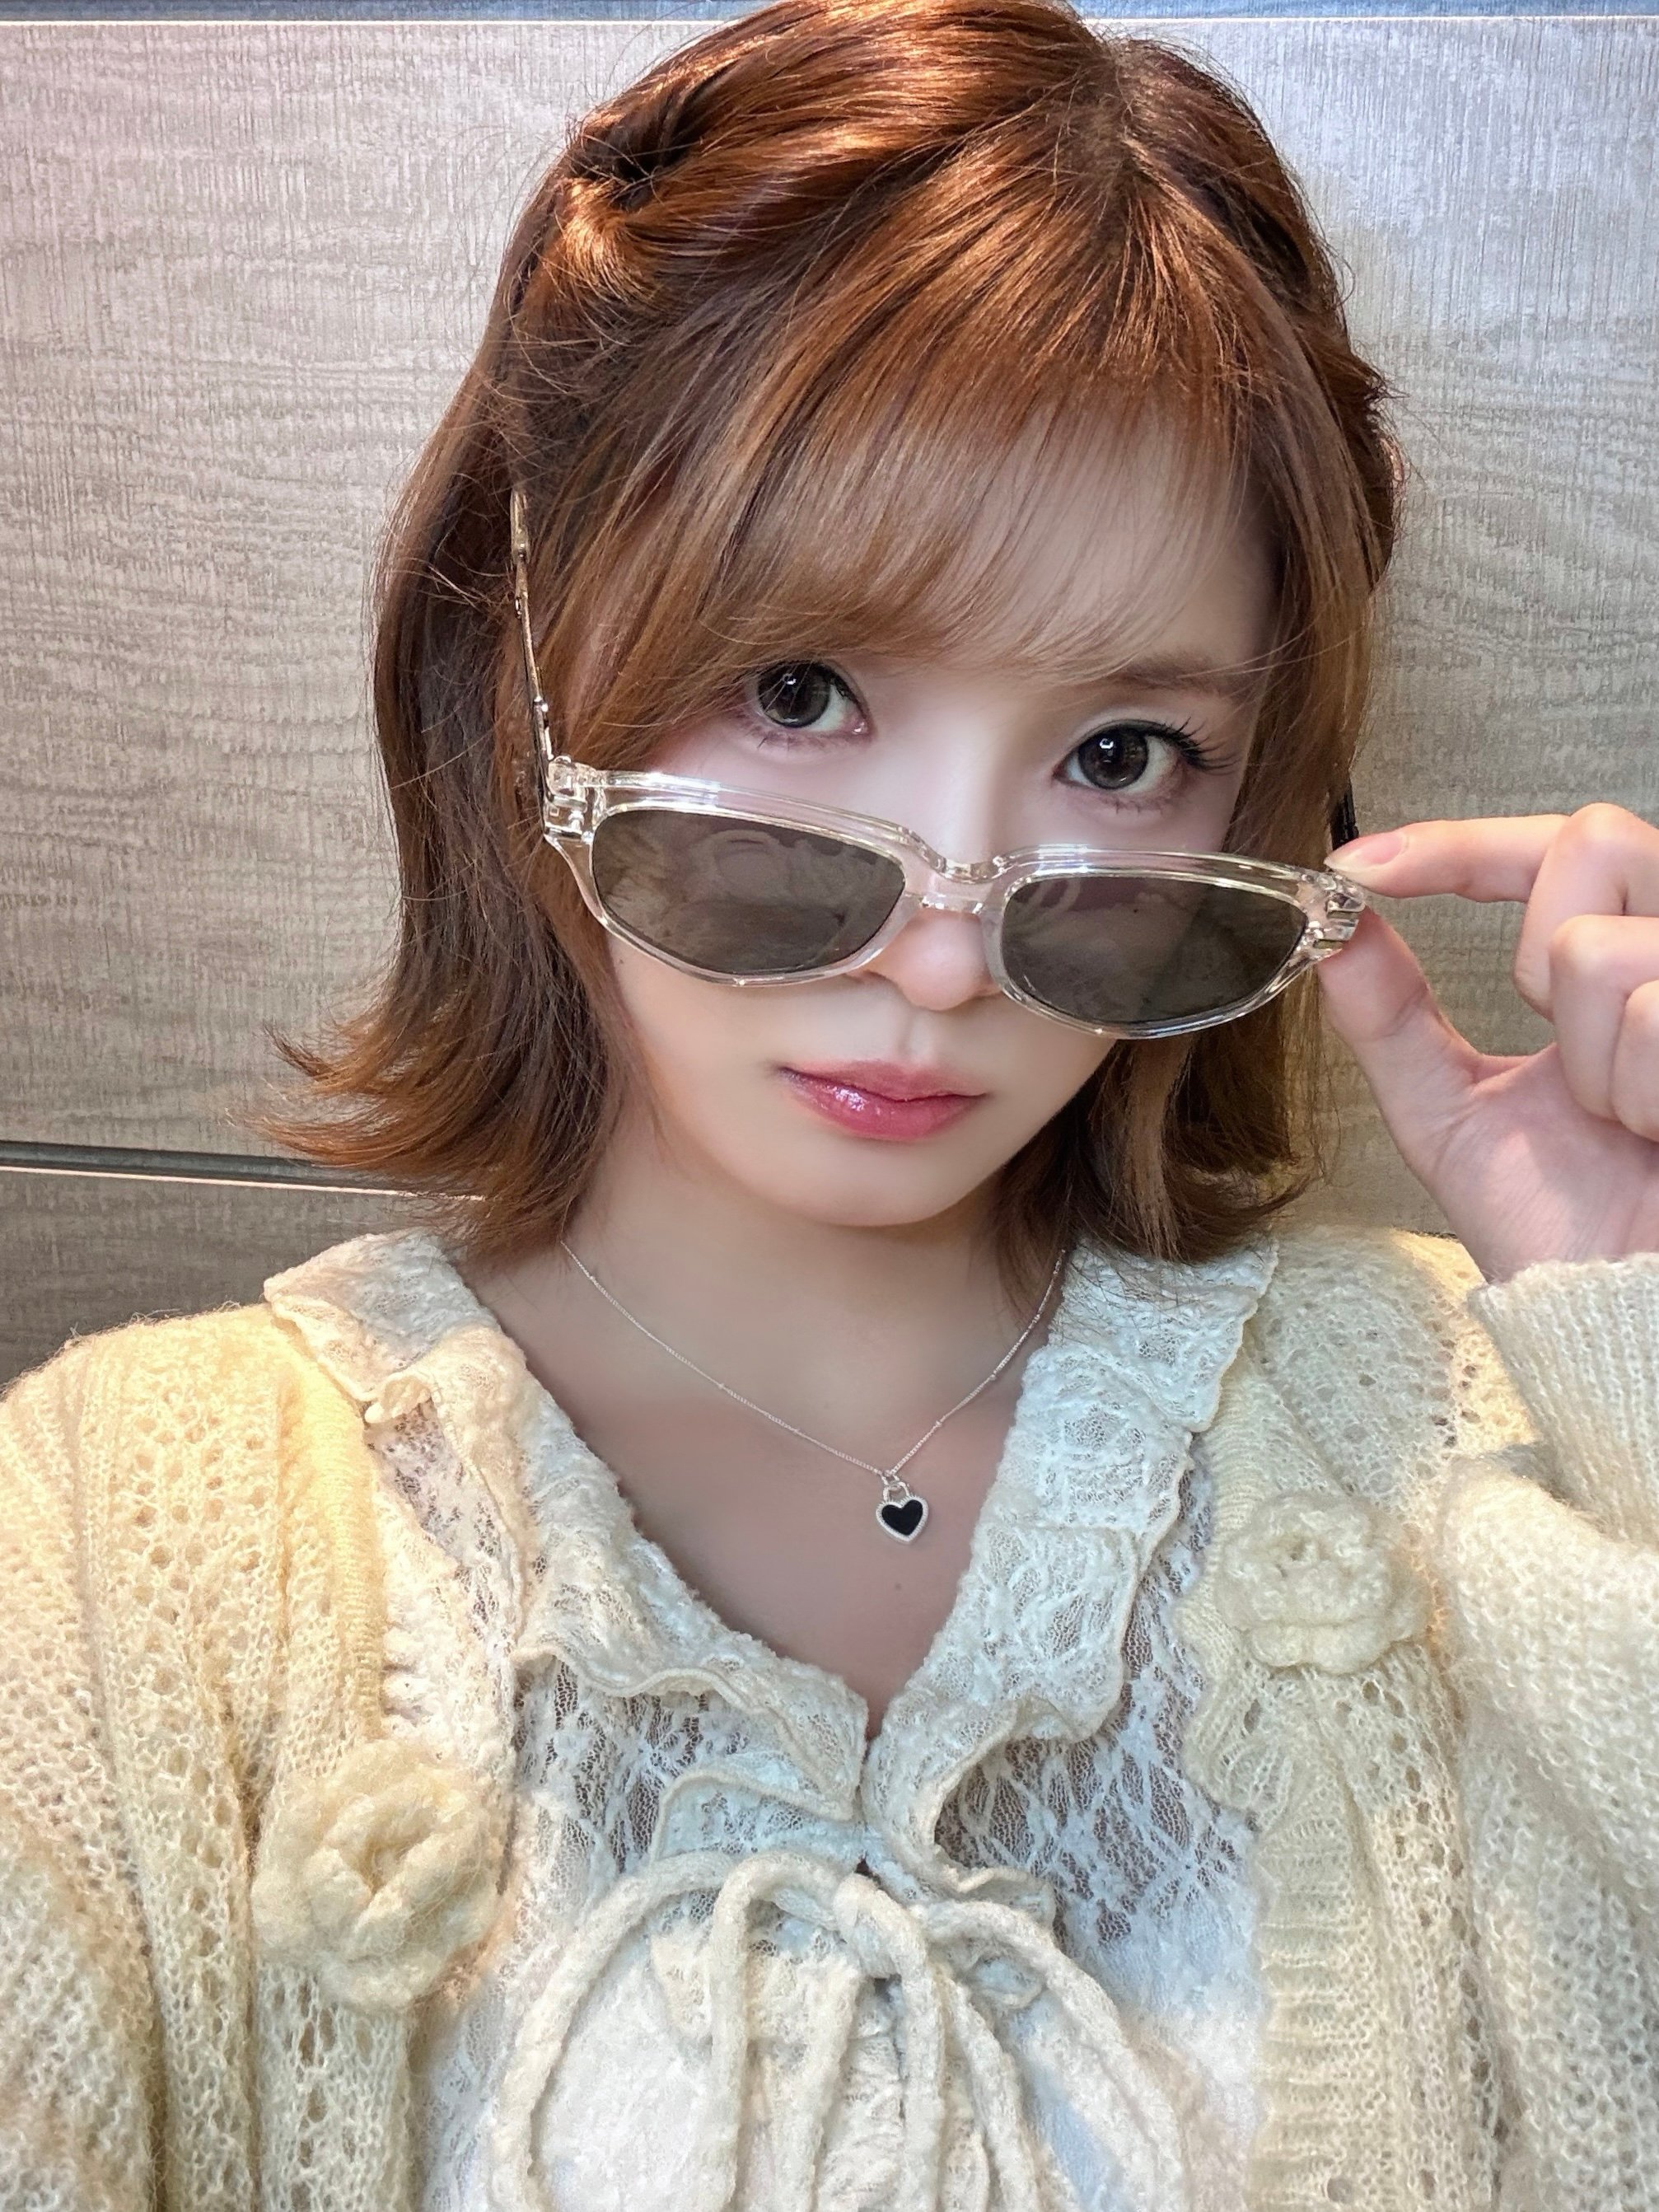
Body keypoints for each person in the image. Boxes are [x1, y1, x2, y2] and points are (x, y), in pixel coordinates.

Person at [2, 1, 1656, 2205]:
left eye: (1123, 755)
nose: (946, 952)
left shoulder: (1486, 1432)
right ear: (526, 674)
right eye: (801, 691)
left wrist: (1636, 1347)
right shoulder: (116, 1543)